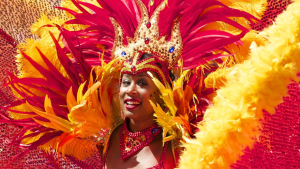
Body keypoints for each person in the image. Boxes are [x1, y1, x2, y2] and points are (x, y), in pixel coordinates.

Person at [2, 0, 300, 168]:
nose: (130, 90)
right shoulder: (110, 133)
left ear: (161, 91)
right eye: (126, 81)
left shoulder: (179, 143)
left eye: (141, 83)